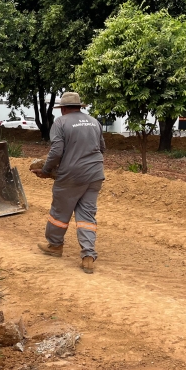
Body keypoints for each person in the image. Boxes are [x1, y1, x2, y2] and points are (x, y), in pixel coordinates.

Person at [32, 92, 105, 274]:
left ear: (63, 109)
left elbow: (56, 150)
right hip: (95, 174)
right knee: (87, 216)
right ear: (80, 107)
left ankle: (55, 246)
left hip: (71, 176)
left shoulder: (61, 123)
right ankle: (88, 256)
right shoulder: (94, 122)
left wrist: (47, 170)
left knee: (59, 212)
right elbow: (102, 148)